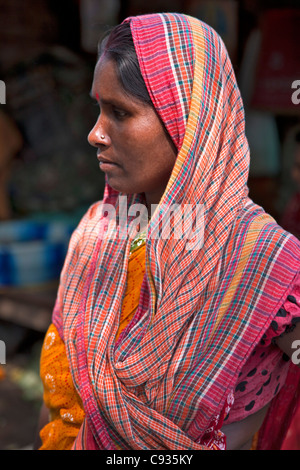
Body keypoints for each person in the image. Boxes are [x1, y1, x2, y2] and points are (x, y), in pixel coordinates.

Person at [36, 13, 300, 450]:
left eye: (120, 112)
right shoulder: (97, 235)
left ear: (190, 121)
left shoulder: (265, 265)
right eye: (98, 109)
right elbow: (59, 402)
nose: (95, 134)